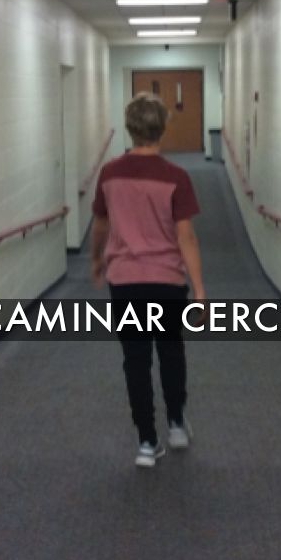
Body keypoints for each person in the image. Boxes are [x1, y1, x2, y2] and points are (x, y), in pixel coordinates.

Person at [90, 92, 206, 468]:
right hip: (167, 281)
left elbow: (101, 224)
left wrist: (96, 259)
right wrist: (200, 290)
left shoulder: (109, 174)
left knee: (135, 359)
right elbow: (186, 237)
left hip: (125, 282)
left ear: (129, 128)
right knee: (171, 351)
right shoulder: (176, 177)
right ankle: (176, 423)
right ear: (163, 129)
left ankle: (146, 441)